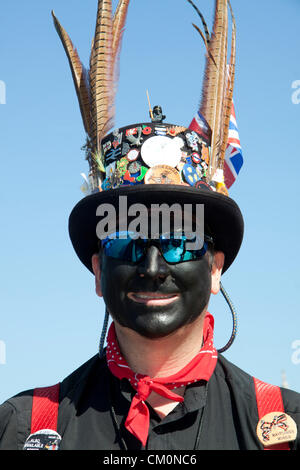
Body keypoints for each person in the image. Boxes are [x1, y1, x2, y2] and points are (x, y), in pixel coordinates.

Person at [1, 0, 300, 451]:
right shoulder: (23, 429)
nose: (154, 267)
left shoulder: (285, 429)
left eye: (180, 239)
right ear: (100, 271)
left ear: (215, 267)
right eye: (127, 241)